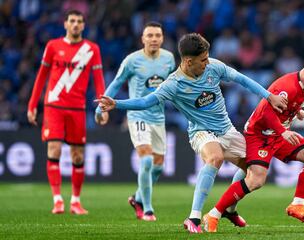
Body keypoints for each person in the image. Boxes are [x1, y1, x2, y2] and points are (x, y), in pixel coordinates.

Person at [96, 33, 287, 233]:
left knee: (255, 170)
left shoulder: (214, 66)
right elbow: (146, 101)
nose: (207, 63)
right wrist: (117, 103)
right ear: (188, 61)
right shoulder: (173, 84)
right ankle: (194, 218)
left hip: (227, 130)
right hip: (200, 132)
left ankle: (230, 209)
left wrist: (269, 96)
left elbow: (242, 79)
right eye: (202, 60)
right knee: (215, 158)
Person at [202, 53, 304, 232]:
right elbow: (266, 112)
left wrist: (296, 111)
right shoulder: (287, 87)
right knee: (256, 180)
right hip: (259, 135)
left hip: (279, 134)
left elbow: (288, 104)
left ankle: (297, 205)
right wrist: (283, 132)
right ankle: (213, 214)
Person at [27, 10, 108, 215]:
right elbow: (41, 76)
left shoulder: (92, 49)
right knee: (54, 149)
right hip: (53, 105)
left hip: (77, 108)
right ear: (65, 24)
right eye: (72, 21)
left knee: (78, 156)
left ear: (83, 25)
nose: (75, 25)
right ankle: (57, 201)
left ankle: (75, 201)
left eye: (79, 21)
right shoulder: (53, 46)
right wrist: (32, 105)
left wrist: (103, 107)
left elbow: (98, 80)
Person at [95, 22, 175, 221]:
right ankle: (147, 209)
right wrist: (100, 108)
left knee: (157, 167)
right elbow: (116, 83)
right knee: (146, 159)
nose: (154, 39)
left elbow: (173, 87)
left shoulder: (169, 59)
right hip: (137, 116)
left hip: (158, 117)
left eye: (158, 35)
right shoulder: (132, 60)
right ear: (143, 39)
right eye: (150, 35)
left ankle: (137, 198)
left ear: (163, 38)